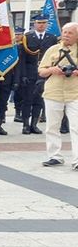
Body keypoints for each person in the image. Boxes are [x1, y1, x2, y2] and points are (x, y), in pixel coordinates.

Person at [38, 21, 78, 170]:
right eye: (64, 32)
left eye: (70, 33)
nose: (66, 35)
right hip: (53, 92)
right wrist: (52, 70)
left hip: (75, 93)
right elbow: (41, 71)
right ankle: (54, 156)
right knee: (52, 127)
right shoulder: (53, 49)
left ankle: (77, 159)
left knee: (76, 127)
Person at [21, 14, 58, 134]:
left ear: (47, 24)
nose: (41, 25)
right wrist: (23, 75)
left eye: (44, 23)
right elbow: (22, 59)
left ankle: (34, 124)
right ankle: (25, 125)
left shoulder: (51, 38)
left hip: (44, 72)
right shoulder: (27, 37)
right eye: (39, 23)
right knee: (27, 99)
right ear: (34, 24)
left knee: (39, 100)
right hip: (30, 71)